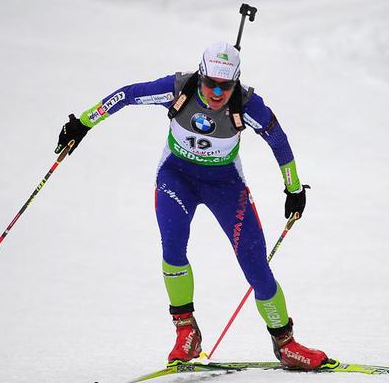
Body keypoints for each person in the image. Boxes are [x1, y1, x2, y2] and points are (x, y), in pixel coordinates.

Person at [55, 42, 329, 369]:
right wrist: (84, 123)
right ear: (200, 75)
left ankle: (286, 344)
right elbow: (127, 94)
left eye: (225, 86)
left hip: (225, 185)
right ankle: (187, 332)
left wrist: (293, 188)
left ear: (236, 82)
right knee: (172, 249)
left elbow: (279, 142)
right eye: (210, 82)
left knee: (255, 265)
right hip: (177, 178)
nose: (216, 92)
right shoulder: (178, 89)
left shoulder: (248, 104)